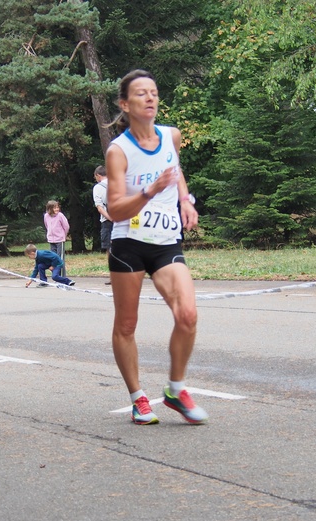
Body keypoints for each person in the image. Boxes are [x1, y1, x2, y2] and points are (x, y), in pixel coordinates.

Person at [105, 69, 206, 426]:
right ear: (125, 104)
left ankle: (175, 390)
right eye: (141, 93)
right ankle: (137, 397)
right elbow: (115, 208)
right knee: (127, 325)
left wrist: (185, 199)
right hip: (128, 244)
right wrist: (148, 192)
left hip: (165, 242)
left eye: (154, 92)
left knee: (188, 315)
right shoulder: (119, 151)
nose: (150, 98)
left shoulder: (171, 136)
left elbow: (175, 170)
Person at [92, 165, 113, 284]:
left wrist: (110, 218)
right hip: (122, 220)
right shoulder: (117, 183)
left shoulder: (98, 187)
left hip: (107, 222)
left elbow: (100, 207)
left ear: (98, 176)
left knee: (110, 249)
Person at [43, 200, 69, 277]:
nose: (57, 209)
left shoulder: (60, 215)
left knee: (60, 259)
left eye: (57, 207)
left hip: (60, 240)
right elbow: (46, 225)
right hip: (51, 240)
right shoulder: (46, 216)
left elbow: (66, 226)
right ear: (49, 209)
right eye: (54, 208)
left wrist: (64, 235)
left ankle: (62, 277)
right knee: (53, 258)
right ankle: (56, 275)